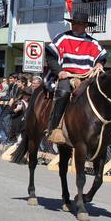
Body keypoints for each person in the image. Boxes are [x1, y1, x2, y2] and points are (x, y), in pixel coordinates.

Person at [46, 12, 106, 144]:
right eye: (74, 23)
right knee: (63, 93)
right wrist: (59, 71)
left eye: (78, 23)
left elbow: (101, 57)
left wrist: (99, 64)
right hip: (66, 76)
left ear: (85, 25)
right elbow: (50, 57)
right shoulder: (62, 38)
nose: (75, 25)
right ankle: (55, 128)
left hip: (86, 78)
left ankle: (108, 130)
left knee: (102, 94)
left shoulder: (93, 42)